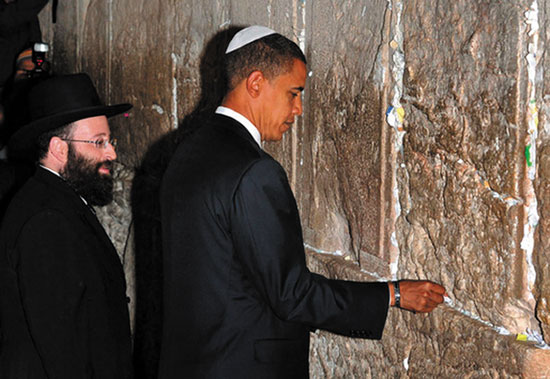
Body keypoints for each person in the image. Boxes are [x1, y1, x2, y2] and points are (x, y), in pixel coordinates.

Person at [159, 26, 446, 378]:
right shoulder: (254, 172)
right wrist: (393, 294)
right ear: (255, 84)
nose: (298, 109)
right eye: (293, 93)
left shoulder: (187, 150)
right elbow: (291, 293)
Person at [0, 73, 133, 378]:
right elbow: (63, 351)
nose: (111, 153)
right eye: (98, 142)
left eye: (110, 141)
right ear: (60, 149)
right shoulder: (47, 221)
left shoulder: (58, 200)